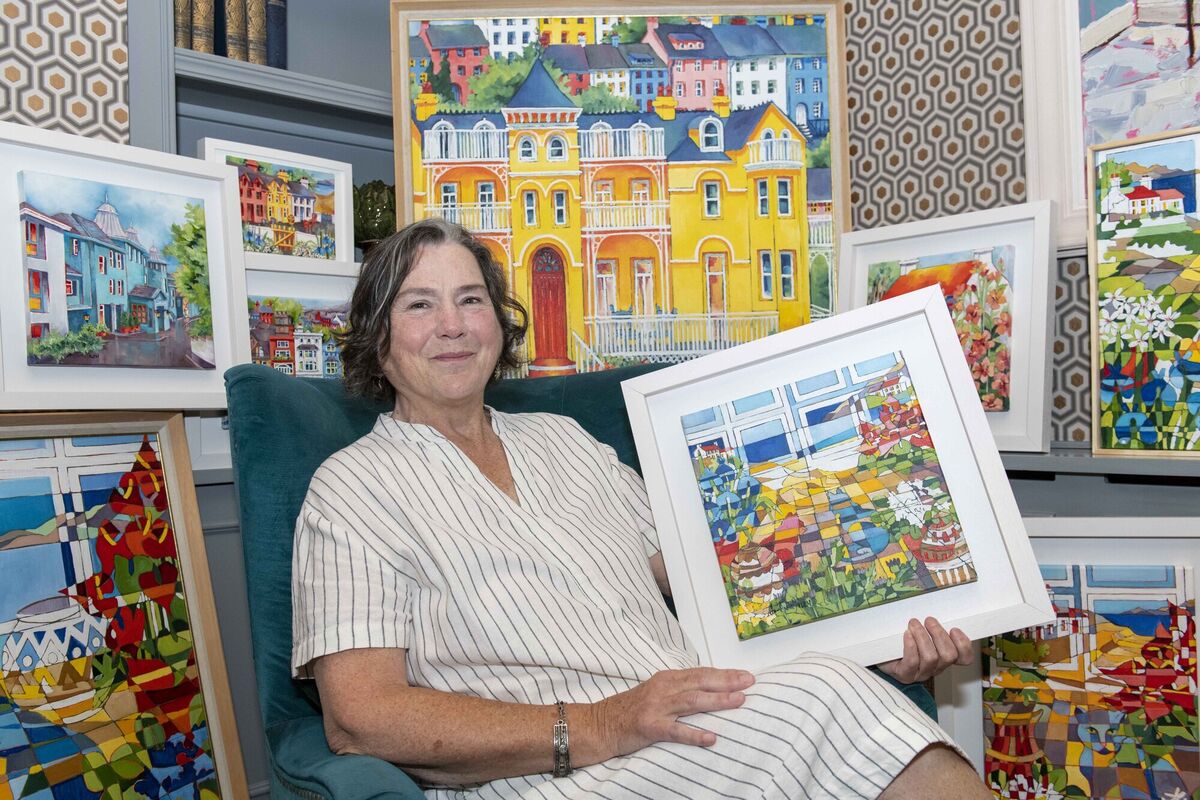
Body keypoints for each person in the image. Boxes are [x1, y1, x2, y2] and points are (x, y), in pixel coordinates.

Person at [292, 218, 991, 799]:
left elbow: (721, 582)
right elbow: (362, 717)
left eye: (471, 299)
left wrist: (877, 639)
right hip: (549, 773)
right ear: (377, 338)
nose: (453, 325)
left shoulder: (565, 440)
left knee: (838, 689)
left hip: (691, 726)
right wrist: (603, 724)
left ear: (498, 324)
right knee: (829, 698)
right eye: (419, 305)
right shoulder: (351, 490)